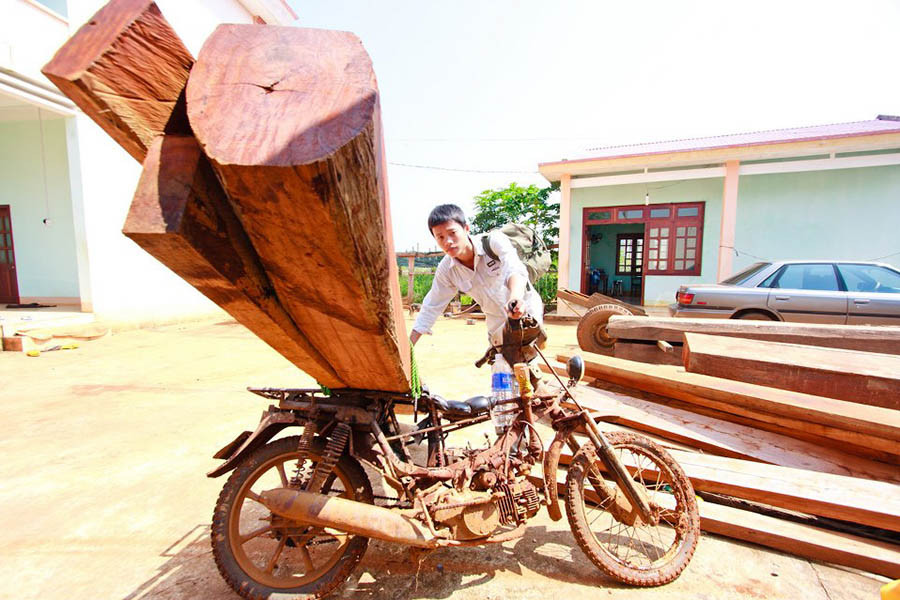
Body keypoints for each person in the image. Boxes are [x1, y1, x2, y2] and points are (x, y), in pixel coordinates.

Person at [410, 204, 544, 351]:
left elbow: (515, 269)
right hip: (496, 323)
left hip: (526, 311)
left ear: (466, 229)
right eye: (440, 237)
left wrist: (515, 298)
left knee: (526, 357)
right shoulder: (446, 270)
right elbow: (432, 305)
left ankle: (538, 342)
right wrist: (408, 346)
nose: (447, 241)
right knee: (501, 363)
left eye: (452, 233)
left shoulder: (493, 241)